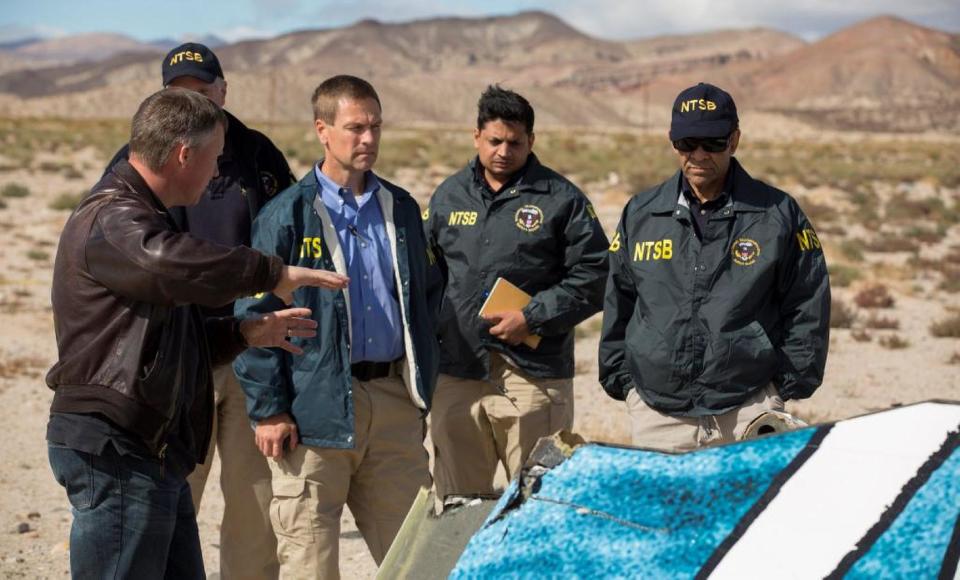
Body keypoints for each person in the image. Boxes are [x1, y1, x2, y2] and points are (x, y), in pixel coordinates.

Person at [46, 88, 349, 579]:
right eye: (213, 158)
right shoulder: (115, 217)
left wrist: (246, 332)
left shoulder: (143, 217)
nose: (216, 174)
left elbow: (167, 341)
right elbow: (171, 262)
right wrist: (270, 273)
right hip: (118, 446)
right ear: (185, 154)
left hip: (154, 452)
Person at [233, 75, 441, 579]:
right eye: (355, 128)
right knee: (311, 564)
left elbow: (425, 302)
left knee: (422, 561)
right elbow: (251, 317)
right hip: (312, 411)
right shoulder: (286, 214)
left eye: (375, 127)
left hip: (392, 405)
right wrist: (269, 410)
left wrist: (419, 390)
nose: (368, 139)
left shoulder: (402, 209)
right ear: (322, 131)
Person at [105, 42, 294, 578]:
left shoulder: (260, 155)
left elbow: (286, 239)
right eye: (179, 95)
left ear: (224, 90)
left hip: (249, 350)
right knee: (170, 494)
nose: (194, 106)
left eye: (203, 92)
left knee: (255, 502)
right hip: (175, 352)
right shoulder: (134, 161)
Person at [598, 82, 831, 451]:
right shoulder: (641, 214)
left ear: (734, 140)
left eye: (713, 143)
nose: (699, 155)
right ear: (672, 141)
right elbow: (619, 301)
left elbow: (808, 303)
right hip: (658, 415)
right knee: (662, 509)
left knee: (750, 508)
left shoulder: (776, 214)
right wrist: (625, 383)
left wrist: (783, 387)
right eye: (686, 143)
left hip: (746, 411)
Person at [424, 85, 609, 503]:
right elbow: (426, 274)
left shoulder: (562, 200)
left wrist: (534, 315)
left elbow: (598, 272)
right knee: (458, 505)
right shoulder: (448, 196)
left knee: (538, 503)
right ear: (476, 137)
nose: (504, 151)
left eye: (515, 142)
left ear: (531, 141)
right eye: (494, 141)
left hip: (532, 376)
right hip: (458, 372)